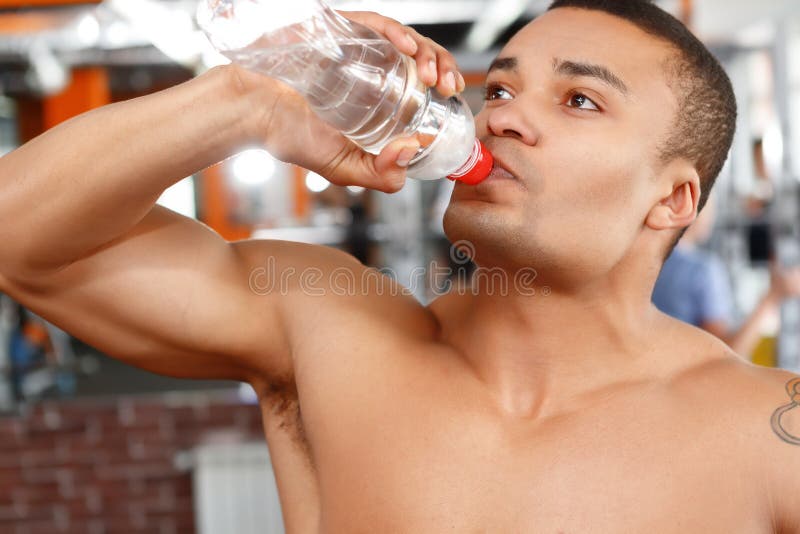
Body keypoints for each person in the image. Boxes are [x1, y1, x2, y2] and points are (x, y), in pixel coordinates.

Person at [1, 1, 799, 530]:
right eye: (499, 88)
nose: (504, 116)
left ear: (673, 198)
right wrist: (246, 103)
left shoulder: (769, 434)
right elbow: (19, 239)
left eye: (579, 100)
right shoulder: (330, 330)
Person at [653, 196, 800, 359]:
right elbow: (727, 356)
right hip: (686, 380)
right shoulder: (702, 271)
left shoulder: (646, 261)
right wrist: (773, 296)